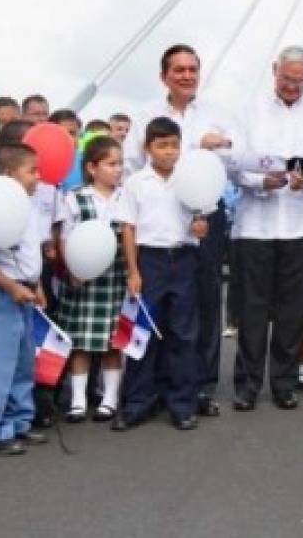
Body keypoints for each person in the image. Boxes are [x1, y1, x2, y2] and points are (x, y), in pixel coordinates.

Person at [127, 44, 238, 417]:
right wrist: (194, 144)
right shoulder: (145, 115)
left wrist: (219, 147)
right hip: (158, 225)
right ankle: (152, 390)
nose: (187, 75)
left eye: (192, 69)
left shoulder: (217, 114)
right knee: (156, 311)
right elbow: (131, 165)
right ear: (164, 76)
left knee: (204, 303)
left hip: (205, 217)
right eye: (179, 70)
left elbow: (237, 158)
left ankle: (200, 387)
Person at [230, 46, 303, 412]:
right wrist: (263, 182)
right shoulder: (247, 109)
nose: (292, 86)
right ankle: (247, 384)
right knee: (253, 309)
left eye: (300, 81)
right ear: (274, 70)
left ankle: (284, 382)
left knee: (293, 309)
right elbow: (234, 164)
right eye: (287, 79)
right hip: (255, 225)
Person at [113, 117, 207, 431]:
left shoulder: (191, 178)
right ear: (147, 148)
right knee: (143, 332)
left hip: (183, 258)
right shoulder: (136, 182)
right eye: (161, 145)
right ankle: (137, 402)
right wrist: (134, 270)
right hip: (150, 260)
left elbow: (201, 219)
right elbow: (129, 227)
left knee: (183, 333)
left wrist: (200, 226)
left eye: (174, 145)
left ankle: (182, 404)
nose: (169, 152)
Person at [0, 143, 49, 455]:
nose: (38, 177)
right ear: (7, 175)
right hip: (3, 295)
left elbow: (30, 255)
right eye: (31, 171)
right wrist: (10, 287)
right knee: (0, 365)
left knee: (22, 364)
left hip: (25, 291)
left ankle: (19, 421)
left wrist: (37, 285)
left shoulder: (29, 209)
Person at [56, 136, 127, 424]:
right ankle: (78, 400)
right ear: (92, 168)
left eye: (120, 163)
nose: (118, 169)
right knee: (81, 342)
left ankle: (109, 399)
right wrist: (72, 268)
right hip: (84, 277)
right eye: (111, 164)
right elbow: (64, 237)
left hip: (116, 276)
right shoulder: (75, 198)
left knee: (113, 342)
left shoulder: (127, 197)